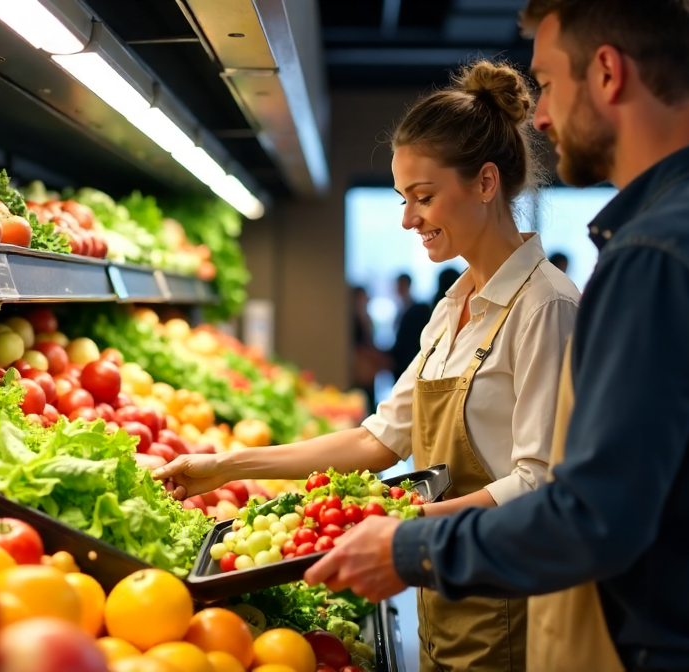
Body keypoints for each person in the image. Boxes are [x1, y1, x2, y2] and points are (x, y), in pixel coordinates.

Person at [301, 1, 689, 671]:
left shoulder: (655, 256)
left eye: (549, 82)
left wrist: (407, 547)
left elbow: (594, 515)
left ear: (608, 73)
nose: (541, 115)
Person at [156, 59, 581, 672]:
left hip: (514, 611)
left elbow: (540, 484)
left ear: (486, 183)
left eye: (424, 197)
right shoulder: (454, 307)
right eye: (403, 198)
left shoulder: (546, 306)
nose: (409, 219)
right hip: (446, 596)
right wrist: (224, 467)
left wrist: (399, 524)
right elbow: (379, 439)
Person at [389, 273, 433, 376]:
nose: (398, 288)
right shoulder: (400, 308)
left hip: (410, 359)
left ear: (407, 285)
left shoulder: (416, 309)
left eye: (400, 285)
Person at [350, 286, 386, 410]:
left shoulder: (366, 317)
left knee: (369, 395)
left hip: (368, 364)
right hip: (360, 363)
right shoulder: (353, 319)